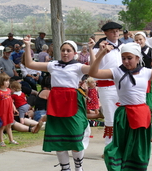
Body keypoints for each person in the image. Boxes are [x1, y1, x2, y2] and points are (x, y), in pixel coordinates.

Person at [88, 42, 152, 171]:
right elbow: (94, 73)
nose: (126, 61)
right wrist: (102, 53)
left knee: (138, 147)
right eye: (123, 58)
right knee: (120, 146)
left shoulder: (145, 72)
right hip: (124, 114)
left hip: (141, 114)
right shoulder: (116, 71)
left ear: (137, 58)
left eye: (129, 58)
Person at [24, 35, 91, 171]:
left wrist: (92, 50)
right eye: (63, 50)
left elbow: (94, 69)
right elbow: (30, 64)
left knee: (75, 135)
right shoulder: (53, 64)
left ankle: (79, 168)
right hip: (56, 102)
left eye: (68, 50)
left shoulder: (78, 66)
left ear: (75, 53)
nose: (65, 53)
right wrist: (27, 45)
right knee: (58, 136)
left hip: (72, 100)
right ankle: (65, 168)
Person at [92, 21, 123, 147]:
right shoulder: (97, 47)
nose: (115, 33)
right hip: (107, 85)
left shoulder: (123, 46)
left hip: (122, 85)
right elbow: (93, 65)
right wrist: (101, 51)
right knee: (110, 115)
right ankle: (109, 146)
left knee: (123, 115)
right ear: (105, 33)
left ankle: (122, 143)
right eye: (112, 31)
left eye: (117, 31)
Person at [0, 72, 19, 147]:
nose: (8, 82)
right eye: (6, 81)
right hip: (2, 112)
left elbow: (10, 101)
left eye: (8, 81)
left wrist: (14, 108)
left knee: (9, 125)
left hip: (9, 111)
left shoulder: (8, 90)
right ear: (1, 82)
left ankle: (11, 139)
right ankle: (1, 141)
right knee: (2, 127)